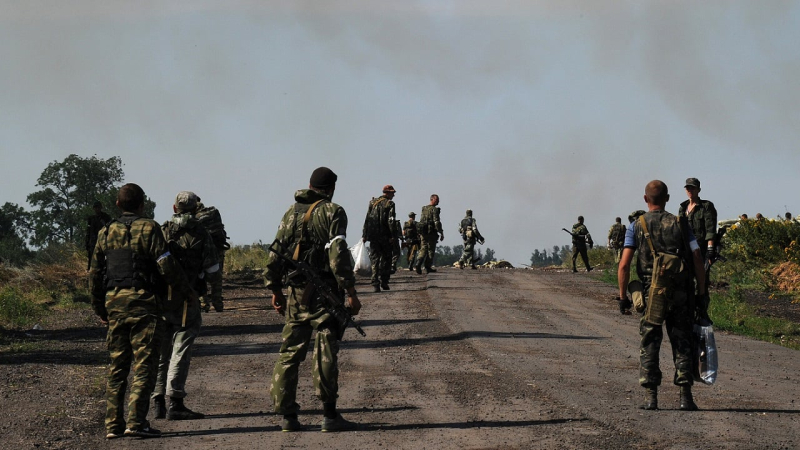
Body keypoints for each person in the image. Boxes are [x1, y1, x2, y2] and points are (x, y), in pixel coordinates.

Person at [89, 183, 197, 439]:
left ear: (117, 204)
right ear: (142, 204)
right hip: (144, 304)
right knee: (144, 365)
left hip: (114, 303)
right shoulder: (150, 228)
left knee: (118, 366)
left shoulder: (105, 232)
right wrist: (186, 293)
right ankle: (136, 423)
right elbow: (166, 265)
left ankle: (113, 426)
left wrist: (99, 307)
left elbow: (94, 274)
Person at [263, 167, 362, 432]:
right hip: (325, 294)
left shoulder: (291, 212)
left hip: (296, 294)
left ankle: (287, 417)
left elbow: (276, 252)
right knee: (325, 350)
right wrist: (350, 292)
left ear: (310, 185)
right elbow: (339, 256)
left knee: (289, 353)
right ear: (331, 189)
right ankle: (329, 416)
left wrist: (274, 288)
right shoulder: (334, 212)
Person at [617, 180, 707, 411]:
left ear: (645, 199)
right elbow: (697, 258)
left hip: (651, 293)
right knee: (683, 342)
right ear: (667, 199)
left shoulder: (636, 226)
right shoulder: (680, 222)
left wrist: (622, 297)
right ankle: (685, 398)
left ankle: (651, 398)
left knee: (650, 342)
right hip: (681, 293)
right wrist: (701, 291)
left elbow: (624, 265)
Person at [152, 191, 220, 421]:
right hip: (188, 299)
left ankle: (158, 401)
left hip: (162, 300)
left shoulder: (162, 230)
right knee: (181, 349)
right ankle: (176, 401)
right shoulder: (202, 233)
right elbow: (212, 269)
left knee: (162, 351)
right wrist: (211, 293)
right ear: (195, 209)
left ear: (174, 208)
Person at [678, 177, 717, 318]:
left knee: (702, 282)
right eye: (688, 188)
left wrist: (710, 250)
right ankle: (688, 312)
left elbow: (710, 229)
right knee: (685, 282)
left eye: (693, 188)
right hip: (686, 252)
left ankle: (702, 313)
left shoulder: (706, 206)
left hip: (701, 251)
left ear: (698, 190)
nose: (690, 190)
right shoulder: (682, 208)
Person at [195, 198, 230, 312]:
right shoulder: (213, 213)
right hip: (218, 248)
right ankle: (218, 303)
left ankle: (204, 302)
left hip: (202, 251)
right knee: (217, 278)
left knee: (200, 277)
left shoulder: (193, 216)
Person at [362, 185, 397, 292]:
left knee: (375, 259)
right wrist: (393, 236)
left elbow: (367, 218)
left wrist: (364, 234)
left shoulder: (372, 203)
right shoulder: (390, 204)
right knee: (386, 259)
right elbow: (391, 221)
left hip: (373, 236)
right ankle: (384, 282)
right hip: (385, 236)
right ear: (387, 193)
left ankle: (375, 283)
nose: (394, 195)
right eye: (392, 193)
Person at [413, 194, 444, 274]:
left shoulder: (424, 208)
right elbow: (436, 222)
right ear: (432, 199)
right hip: (431, 233)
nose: (438, 201)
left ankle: (418, 262)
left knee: (423, 248)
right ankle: (427, 266)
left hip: (423, 232)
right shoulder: (434, 210)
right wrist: (441, 232)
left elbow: (421, 220)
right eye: (437, 200)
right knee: (430, 250)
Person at [85, 201, 112, 270]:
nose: (97, 209)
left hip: (103, 240)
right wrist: (87, 242)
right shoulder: (91, 219)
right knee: (91, 258)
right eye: (95, 208)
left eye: (98, 207)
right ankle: (90, 270)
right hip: (93, 240)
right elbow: (88, 231)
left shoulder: (106, 217)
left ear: (101, 208)